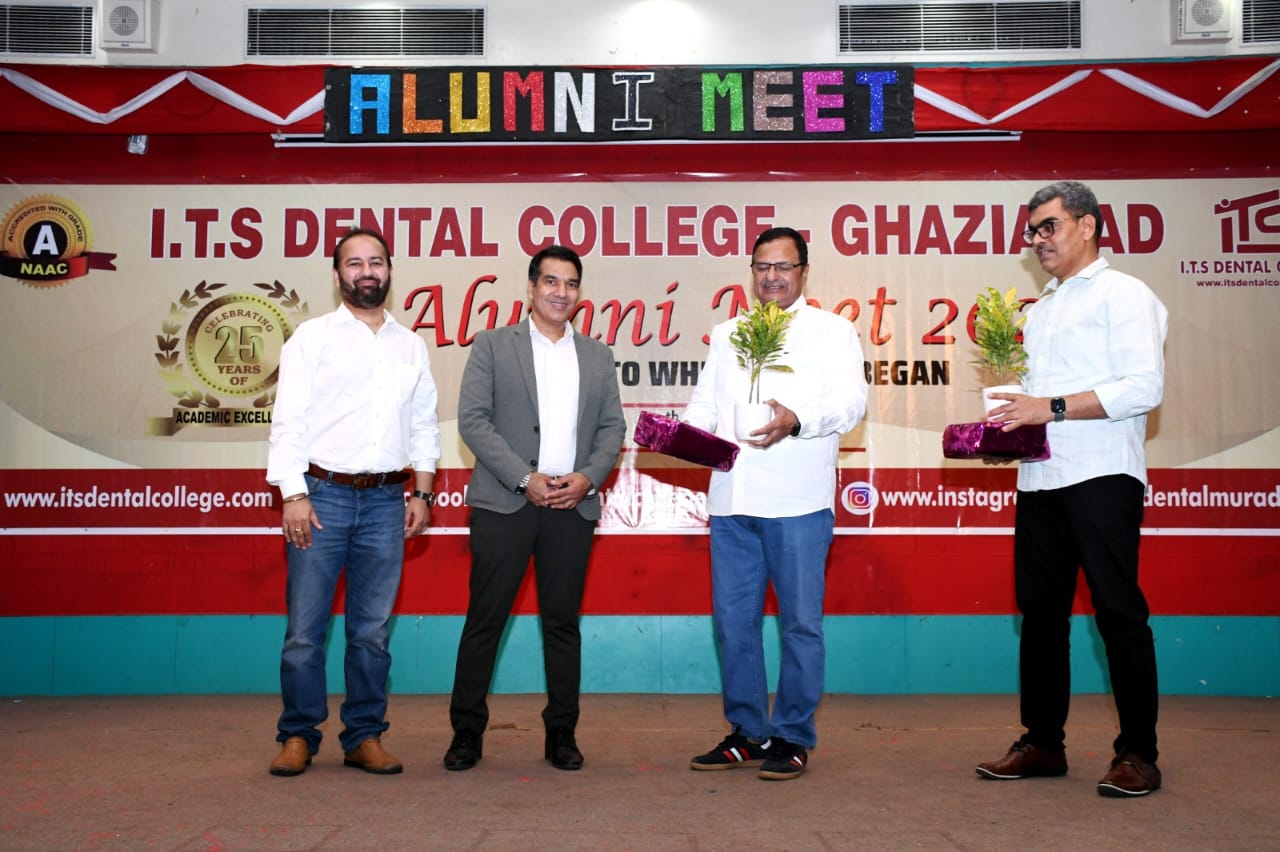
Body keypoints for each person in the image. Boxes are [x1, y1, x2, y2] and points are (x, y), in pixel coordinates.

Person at [976, 181, 1169, 797]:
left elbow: (1143, 388)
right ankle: (1042, 743)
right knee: (1040, 616)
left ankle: (1138, 753)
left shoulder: (1125, 294)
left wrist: (1050, 407)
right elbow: (1033, 403)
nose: (1037, 240)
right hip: (1041, 476)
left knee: (1118, 613)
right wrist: (1009, 430)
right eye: (1032, 230)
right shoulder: (1040, 309)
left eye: (1048, 226)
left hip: (1103, 474)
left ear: (1087, 226)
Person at [682, 226, 868, 780]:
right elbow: (704, 405)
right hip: (732, 499)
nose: (772, 277)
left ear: (804, 272)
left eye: (783, 267)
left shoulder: (833, 332)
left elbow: (851, 403)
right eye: (762, 267)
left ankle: (791, 735)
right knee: (733, 624)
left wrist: (798, 419)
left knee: (800, 625)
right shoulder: (728, 334)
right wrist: (685, 433)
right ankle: (747, 731)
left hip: (798, 501)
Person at [265, 228, 440, 777]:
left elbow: (424, 425)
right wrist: (292, 494)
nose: (367, 271)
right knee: (304, 631)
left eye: (376, 262)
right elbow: (287, 422)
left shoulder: (411, 345)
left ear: (390, 270)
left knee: (371, 632)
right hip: (320, 498)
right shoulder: (312, 338)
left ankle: (364, 735)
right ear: (338, 274)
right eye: (355, 262)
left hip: (388, 502)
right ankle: (298, 735)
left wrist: (423, 491)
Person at [443, 245, 625, 772]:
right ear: (530, 287)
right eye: (551, 281)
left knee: (562, 624)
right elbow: (473, 420)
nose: (560, 292)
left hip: (572, 505)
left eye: (570, 283)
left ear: (579, 292)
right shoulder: (493, 345)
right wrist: (525, 479)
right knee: (485, 620)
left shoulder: (597, 356)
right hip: (506, 504)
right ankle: (466, 733)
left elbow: (612, 427)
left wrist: (587, 478)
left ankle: (562, 733)